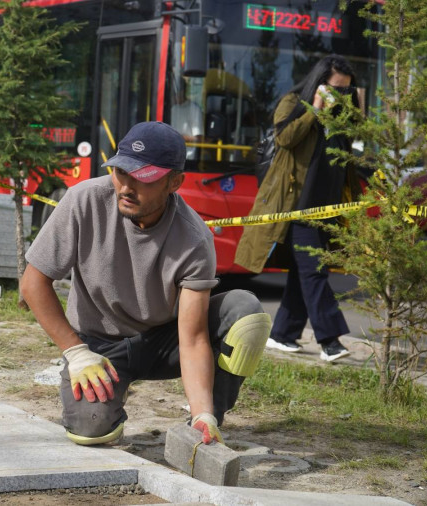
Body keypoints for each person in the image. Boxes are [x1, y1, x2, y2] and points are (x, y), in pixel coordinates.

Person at [21, 121, 271, 446]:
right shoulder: (84, 201)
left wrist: (203, 413)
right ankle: (113, 391)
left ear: (174, 182)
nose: (126, 187)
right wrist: (76, 352)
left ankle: (205, 426)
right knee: (92, 430)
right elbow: (33, 284)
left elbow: (193, 338)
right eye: (121, 172)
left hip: (162, 343)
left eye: (143, 178)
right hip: (98, 346)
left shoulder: (194, 239)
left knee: (245, 313)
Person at [234, 54, 362, 362]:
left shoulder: (343, 113)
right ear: (319, 83)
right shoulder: (293, 102)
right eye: (335, 88)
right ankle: (330, 341)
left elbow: (355, 142)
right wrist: (315, 108)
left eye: (345, 89)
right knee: (314, 271)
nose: (340, 94)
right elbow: (285, 137)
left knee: (302, 273)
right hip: (298, 207)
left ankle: (283, 334)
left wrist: (352, 107)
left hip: (328, 209)